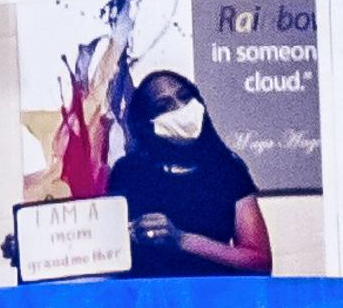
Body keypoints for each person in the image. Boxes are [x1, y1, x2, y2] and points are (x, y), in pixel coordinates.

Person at [103, 65, 275, 276]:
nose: (181, 108)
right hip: (148, 302)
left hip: (211, 301)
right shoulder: (128, 172)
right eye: (164, 106)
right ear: (146, 124)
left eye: (185, 97)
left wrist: (182, 239)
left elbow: (259, 261)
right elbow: (109, 252)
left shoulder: (228, 170)